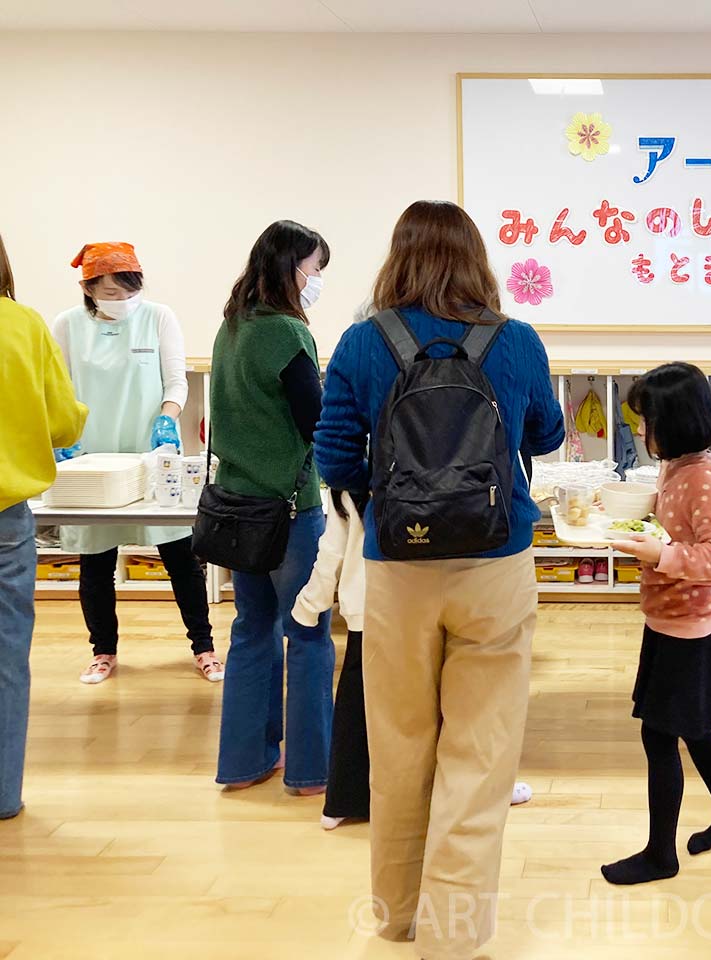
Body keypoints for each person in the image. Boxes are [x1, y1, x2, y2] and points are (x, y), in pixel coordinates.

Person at [314, 200, 564, 955]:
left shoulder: (363, 342)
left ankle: (396, 917)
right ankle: (453, 937)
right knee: (479, 757)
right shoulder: (514, 341)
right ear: (476, 259)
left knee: (399, 747)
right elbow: (546, 433)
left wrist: (394, 498)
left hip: (398, 568)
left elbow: (331, 455)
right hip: (495, 563)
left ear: (400, 257)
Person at [291, 488, 536, 831]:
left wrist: (310, 604)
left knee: (362, 707)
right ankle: (476, 792)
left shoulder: (353, 474)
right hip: (434, 594)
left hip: (368, 605)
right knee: (455, 705)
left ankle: (342, 802)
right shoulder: (445, 462)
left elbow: (332, 549)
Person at [601, 362, 711, 886]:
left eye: (647, 422)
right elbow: (674, 526)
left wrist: (661, 553)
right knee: (695, 728)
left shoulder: (702, 479)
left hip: (689, 626)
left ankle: (660, 855)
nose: (640, 432)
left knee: (660, 737)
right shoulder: (677, 467)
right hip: (670, 620)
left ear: (678, 422)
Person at [51, 243, 221, 685]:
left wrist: (167, 418)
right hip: (93, 461)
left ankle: (203, 646)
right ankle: (103, 651)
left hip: (152, 455)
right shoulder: (66, 326)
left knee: (180, 555)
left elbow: (176, 379)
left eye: (127, 291)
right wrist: (63, 437)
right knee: (95, 560)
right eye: (108, 292)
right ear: (88, 289)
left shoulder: (158, 316)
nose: (121, 301)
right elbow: (61, 389)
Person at [210, 220, 334, 795]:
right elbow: (316, 422)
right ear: (289, 268)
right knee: (307, 632)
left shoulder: (231, 327)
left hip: (236, 507)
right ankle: (312, 770)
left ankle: (243, 762)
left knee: (250, 629)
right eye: (313, 269)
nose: (315, 281)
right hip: (288, 511)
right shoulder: (288, 333)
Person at [0, 232, 88, 819]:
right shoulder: (24, 325)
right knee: (6, 660)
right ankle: (3, 795)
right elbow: (61, 424)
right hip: (5, 517)